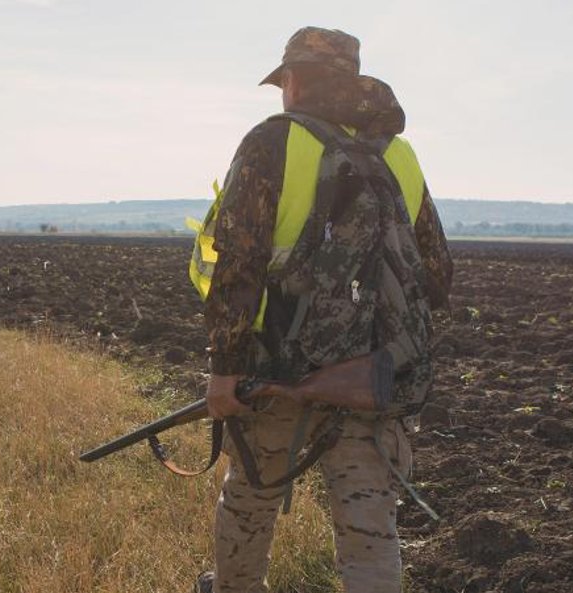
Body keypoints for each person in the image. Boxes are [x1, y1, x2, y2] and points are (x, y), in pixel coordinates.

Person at [195, 26, 453, 593]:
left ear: (291, 81)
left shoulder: (273, 141)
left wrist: (225, 371)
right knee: (369, 533)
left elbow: (238, 266)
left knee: (250, 499)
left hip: (277, 374)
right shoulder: (400, 154)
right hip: (374, 379)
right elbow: (436, 274)